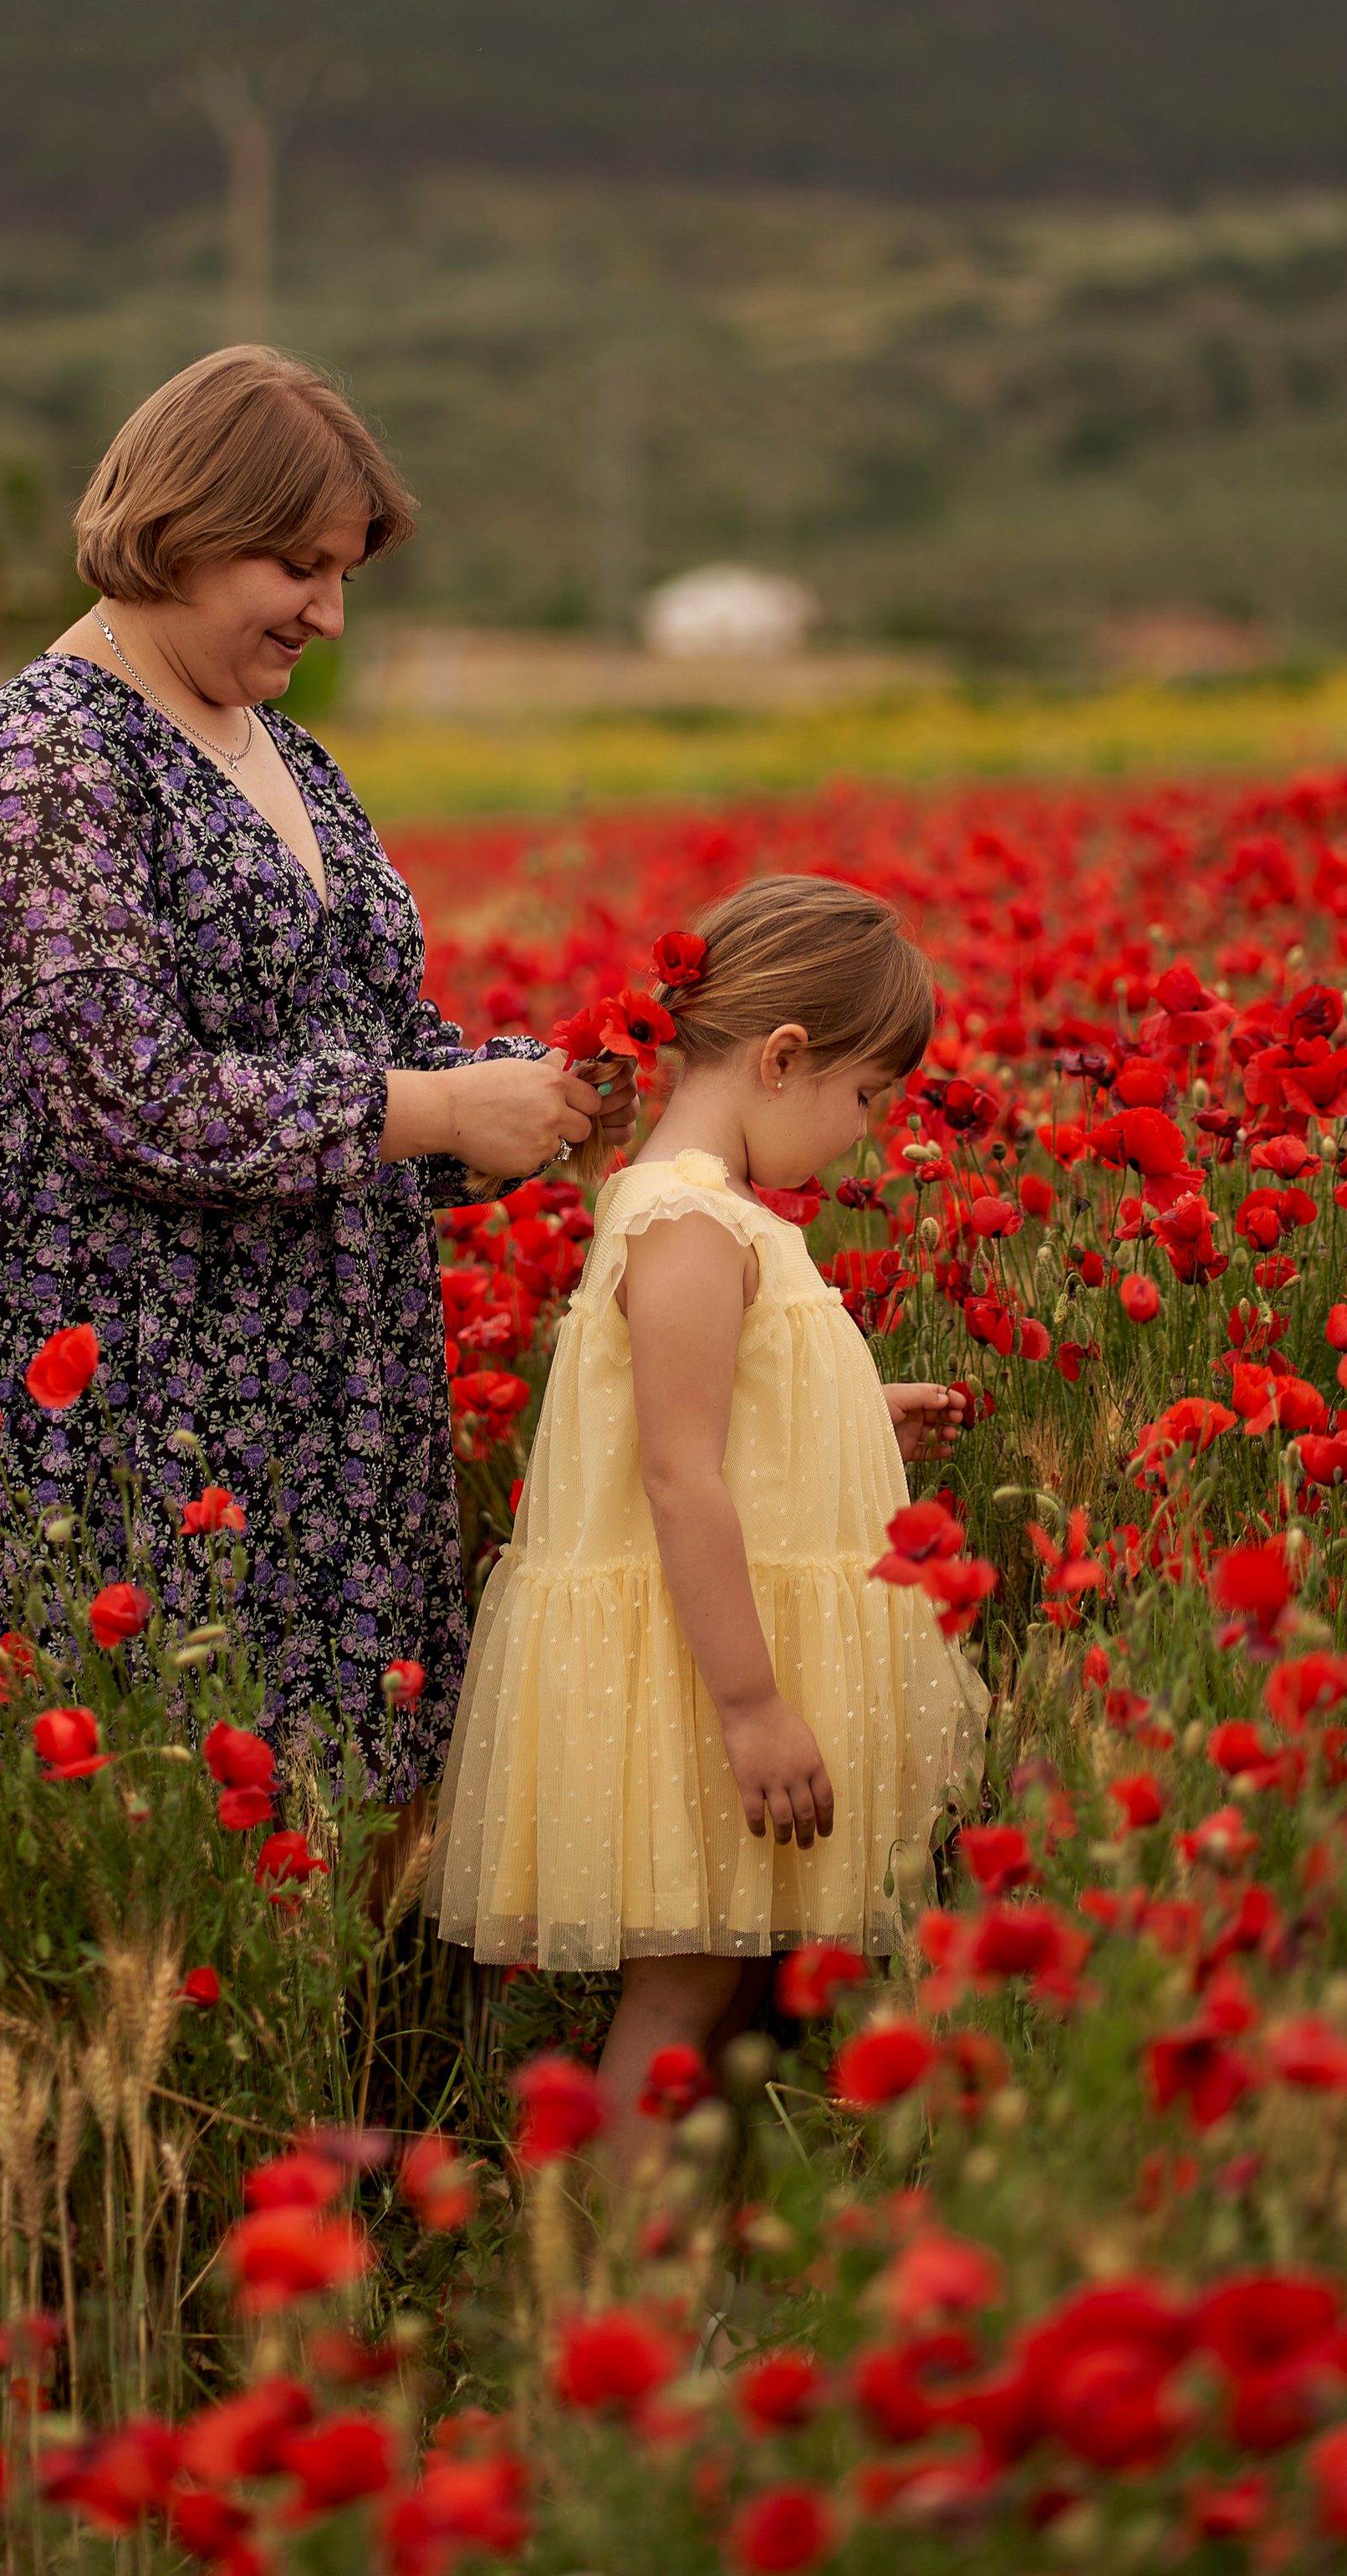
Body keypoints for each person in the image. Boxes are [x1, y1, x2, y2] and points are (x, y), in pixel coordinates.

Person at [0, 344, 628, 1803]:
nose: (329, 613)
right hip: (125, 1383)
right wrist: (431, 1110)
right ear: (180, 529)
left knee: (341, 1810)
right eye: (298, 566)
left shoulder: (280, 750)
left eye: (345, 573)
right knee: (164, 1822)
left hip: (320, 1385)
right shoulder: (44, 756)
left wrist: (533, 1099)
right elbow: (129, 1094)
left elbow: (369, 1038)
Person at [430, 874, 988, 2152]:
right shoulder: (685, 1220)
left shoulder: (709, 1212)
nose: (865, 1131)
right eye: (865, 1099)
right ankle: (614, 2283)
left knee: (730, 1976)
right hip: (699, 1682)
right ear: (784, 1060)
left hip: (721, 1661)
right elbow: (679, 1476)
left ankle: (674, 2252)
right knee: (682, 1986)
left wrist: (855, 1411)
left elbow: (722, 1420)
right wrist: (750, 1705)